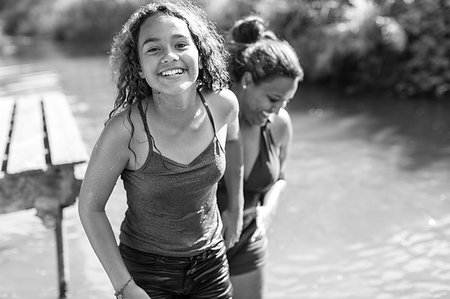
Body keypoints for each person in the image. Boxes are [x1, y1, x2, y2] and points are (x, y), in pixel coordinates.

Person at [78, 1, 244, 298]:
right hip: (146, 271)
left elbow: (232, 141)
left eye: (181, 44)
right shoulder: (125, 131)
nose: (170, 56)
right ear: (139, 69)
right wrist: (125, 287)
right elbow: (90, 208)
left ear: (200, 54)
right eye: (154, 49)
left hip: (211, 263)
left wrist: (236, 208)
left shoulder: (223, 105)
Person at [217, 16, 304, 299]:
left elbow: (280, 179)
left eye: (285, 102)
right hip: (198, 246)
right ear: (247, 80)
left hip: (249, 239)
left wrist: (268, 210)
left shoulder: (279, 125)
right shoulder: (210, 119)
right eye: (273, 98)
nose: (278, 110)